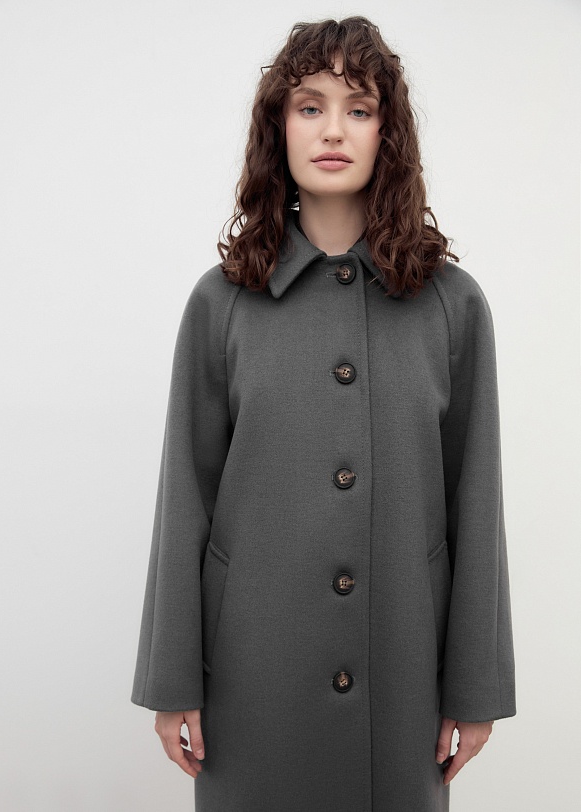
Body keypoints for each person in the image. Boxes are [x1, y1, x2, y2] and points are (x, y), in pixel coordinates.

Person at [131, 15, 516, 812]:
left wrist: (473, 687)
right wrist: (172, 682)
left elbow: (475, 503)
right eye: (309, 106)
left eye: (358, 108)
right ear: (278, 127)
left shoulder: (451, 307)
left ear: (387, 133)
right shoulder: (221, 303)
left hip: (404, 681)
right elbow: (184, 498)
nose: (332, 130)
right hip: (249, 681)